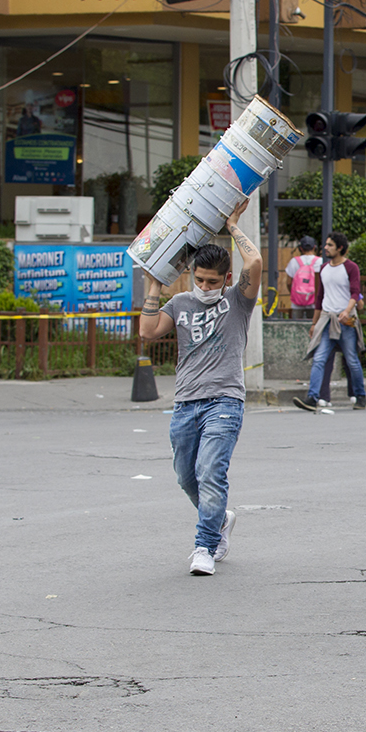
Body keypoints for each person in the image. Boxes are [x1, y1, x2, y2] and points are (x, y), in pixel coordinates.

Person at [138, 200, 261, 575]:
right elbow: (147, 331)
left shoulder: (238, 300)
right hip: (186, 402)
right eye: (199, 279)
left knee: (210, 472)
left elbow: (253, 264)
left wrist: (233, 225)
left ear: (226, 278)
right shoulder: (180, 303)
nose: (205, 286)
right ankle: (220, 517)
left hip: (225, 400)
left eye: (212, 280)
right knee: (186, 476)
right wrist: (153, 284)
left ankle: (204, 547)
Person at [293, 232, 366, 412]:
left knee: (351, 359)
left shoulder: (351, 267)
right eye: (326, 245)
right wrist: (314, 323)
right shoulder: (324, 268)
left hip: (345, 320)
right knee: (319, 358)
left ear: (339, 248)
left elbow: (355, 293)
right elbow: (320, 297)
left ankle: (360, 395)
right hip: (327, 318)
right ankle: (312, 397)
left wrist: (347, 311)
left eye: (330, 245)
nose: (325, 248)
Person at [285, 236, 322, 317]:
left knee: (296, 327)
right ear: (314, 247)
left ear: (300, 248)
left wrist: (295, 293)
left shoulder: (294, 261)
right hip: (314, 302)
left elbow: (288, 282)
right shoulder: (320, 261)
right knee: (314, 325)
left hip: (297, 303)